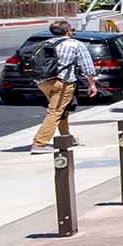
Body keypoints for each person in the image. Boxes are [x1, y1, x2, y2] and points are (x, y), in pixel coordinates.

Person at [29, 20, 97, 152]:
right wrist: (91, 85)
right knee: (55, 111)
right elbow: (87, 68)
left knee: (62, 109)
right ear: (69, 31)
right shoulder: (75, 45)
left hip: (43, 82)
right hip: (62, 83)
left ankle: (66, 137)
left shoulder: (45, 43)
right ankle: (39, 143)